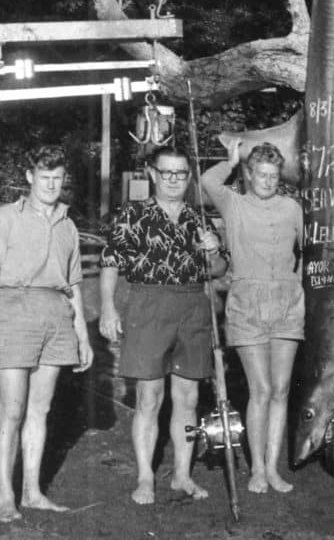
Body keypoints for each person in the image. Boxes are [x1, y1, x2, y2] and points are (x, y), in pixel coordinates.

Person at [98, 145, 228, 505]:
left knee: (188, 398)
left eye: (181, 174)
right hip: (148, 306)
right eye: (166, 172)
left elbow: (219, 269)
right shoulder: (133, 214)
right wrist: (108, 308)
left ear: (189, 177)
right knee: (148, 398)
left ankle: (182, 476)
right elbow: (110, 262)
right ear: (153, 174)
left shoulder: (199, 218)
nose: (173, 180)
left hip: (192, 306)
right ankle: (145, 478)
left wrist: (214, 250)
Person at [0, 145, 93, 523]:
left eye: (57, 178)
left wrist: (83, 335)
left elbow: (74, 285)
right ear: (29, 177)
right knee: (11, 409)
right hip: (12, 313)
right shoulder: (3, 219)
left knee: (40, 409)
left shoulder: (68, 225)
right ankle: (6, 496)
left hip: (56, 316)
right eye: (44, 178)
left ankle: (33, 491)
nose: (51, 185)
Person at [200, 139, 303, 494]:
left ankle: (273, 468)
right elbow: (208, 181)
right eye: (261, 174)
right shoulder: (234, 204)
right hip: (247, 304)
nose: (268, 181)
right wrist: (230, 161)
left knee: (281, 390)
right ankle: (257, 468)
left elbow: (310, 248)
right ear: (249, 174)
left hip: (288, 303)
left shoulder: (292, 208)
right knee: (260, 389)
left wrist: (297, 280)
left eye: (274, 175)